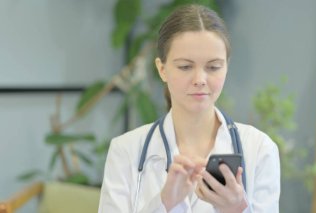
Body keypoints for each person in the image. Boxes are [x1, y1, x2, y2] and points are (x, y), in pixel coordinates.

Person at [98, 4, 280, 213]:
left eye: (213, 67)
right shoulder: (126, 150)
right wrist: (164, 203)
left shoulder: (259, 148)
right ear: (162, 69)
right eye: (185, 67)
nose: (200, 80)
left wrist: (237, 209)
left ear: (227, 67)